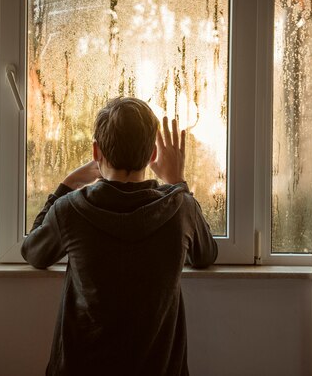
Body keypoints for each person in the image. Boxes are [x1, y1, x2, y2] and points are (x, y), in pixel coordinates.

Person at [22, 97, 218, 376]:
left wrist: (66, 185)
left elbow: (33, 252)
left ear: (96, 151)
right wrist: (178, 182)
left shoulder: (71, 209)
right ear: (152, 156)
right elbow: (206, 254)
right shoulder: (180, 208)